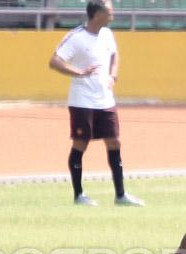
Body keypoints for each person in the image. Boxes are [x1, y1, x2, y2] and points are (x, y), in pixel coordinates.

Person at [48, 0, 143, 207]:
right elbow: (54, 61)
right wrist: (78, 72)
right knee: (80, 144)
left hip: (105, 99)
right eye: (109, 11)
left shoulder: (107, 34)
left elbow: (114, 55)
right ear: (97, 13)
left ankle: (120, 195)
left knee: (114, 142)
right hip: (82, 101)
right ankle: (79, 195)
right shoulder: (77, 37)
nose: (113, 14)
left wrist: (113, 76)